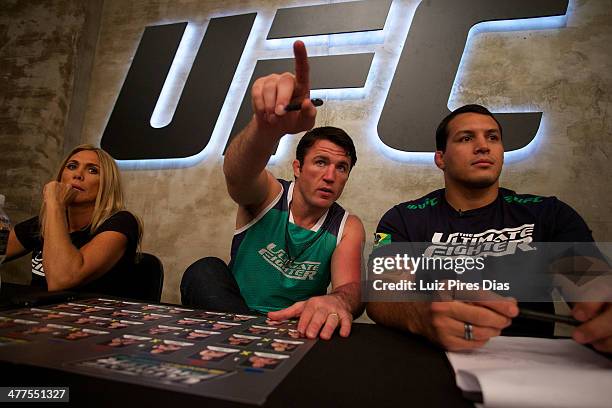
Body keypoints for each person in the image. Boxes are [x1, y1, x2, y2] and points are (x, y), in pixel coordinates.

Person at [367, 104, 612, 353]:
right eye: (466, 138)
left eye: (492, 137)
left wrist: (600, 298)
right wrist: (419, 315)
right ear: (441, 158)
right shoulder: (403, 218)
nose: (483, 146)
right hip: (432, 362)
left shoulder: (547, 214)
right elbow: (383, 294)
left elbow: (584, 275)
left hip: (529, 366)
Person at [181, 40, 365, 340]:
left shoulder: (346, 226)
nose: (330, 175)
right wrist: (265, 130)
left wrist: (338, 300)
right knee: (204, 269)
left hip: (292, 330)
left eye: (341, 167)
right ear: (297, 167)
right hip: (231, 317)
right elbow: (237, 173)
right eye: (320, 162)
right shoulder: (270, 195)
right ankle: (247, 337)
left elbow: (350, 287)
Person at [2, 144, 142, 297]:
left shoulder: (121, 222)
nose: (78, 175)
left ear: (106, 184)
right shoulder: (44, 221)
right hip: (37, 314)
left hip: (88, 318)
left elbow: (61, 281)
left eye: (92, 170)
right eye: (72, 166)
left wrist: (55, 204)